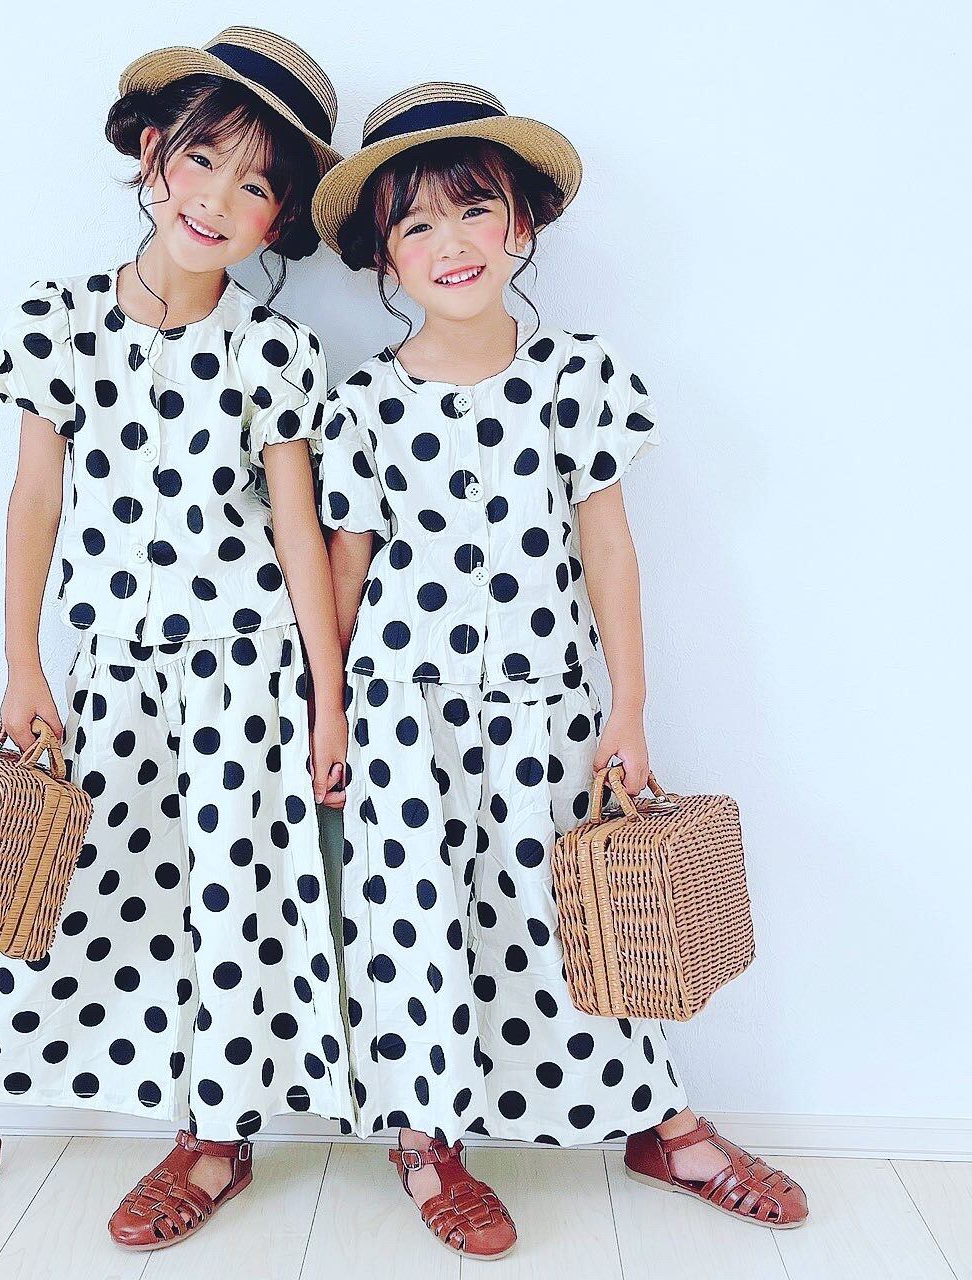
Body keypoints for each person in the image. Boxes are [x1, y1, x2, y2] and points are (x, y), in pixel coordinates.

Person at [0, 27, 356, 1250]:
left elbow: (298, 535)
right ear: (152, 151)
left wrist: (327, 703)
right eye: (202, 158)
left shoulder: (274, 350)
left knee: (233, 906)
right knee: (54, 897)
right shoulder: (57, 320)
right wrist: (23, 664)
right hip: (108, 675)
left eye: (254, 185)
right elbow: (34, 503)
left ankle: (215, 1136)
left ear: (277, 221)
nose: (215, 198)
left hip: (248, 678)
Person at [310, 81, 809, 1259]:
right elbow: (344, 574)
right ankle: (427, 1140)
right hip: (402, 714)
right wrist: (329, 716)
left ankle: (658, 1121)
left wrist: (627, 707)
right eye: (414, 223)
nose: (448, 242)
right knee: (414, 920)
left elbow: (608, 550)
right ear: (382, 253)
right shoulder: (364, 399)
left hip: (548, 708)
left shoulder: (575, 374)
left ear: (520, 225)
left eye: (472, 209)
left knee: (576, 918)